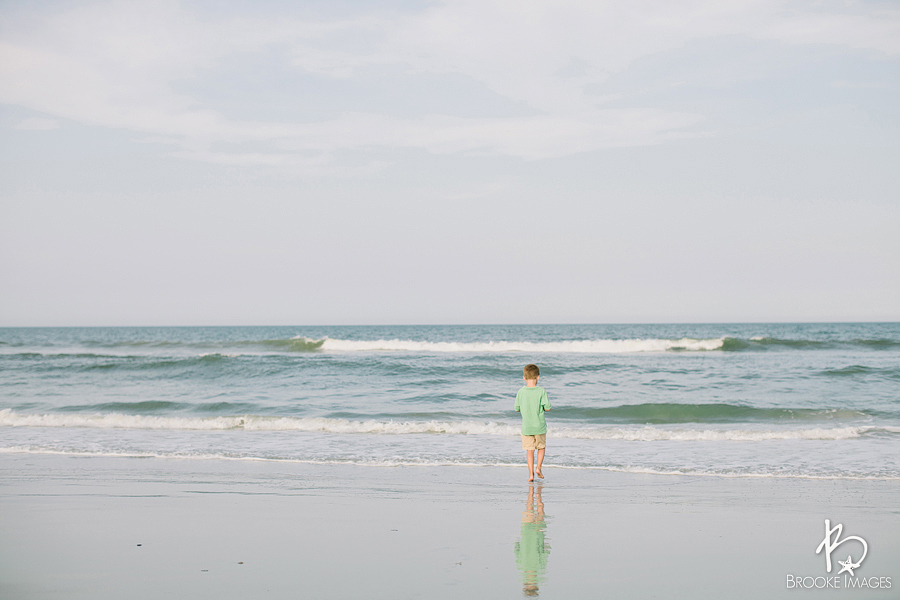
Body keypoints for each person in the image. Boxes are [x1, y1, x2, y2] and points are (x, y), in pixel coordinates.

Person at [514, 364, 551, 482]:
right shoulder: (541, 391)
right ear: (538, 377)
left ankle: (530, 474)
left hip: (527, 427)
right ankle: (538, 468)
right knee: (541, 447)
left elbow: (516, 408)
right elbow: (547, 407)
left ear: (524, 378)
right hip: (539, 426)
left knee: (529, 450)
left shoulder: (521, 392)